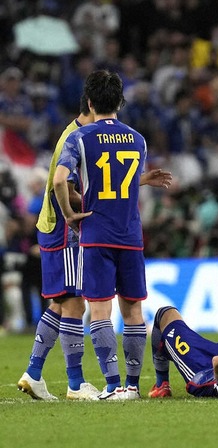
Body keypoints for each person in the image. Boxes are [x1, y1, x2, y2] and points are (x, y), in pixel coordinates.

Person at [17, 95, 171, 401]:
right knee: (73, 303)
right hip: (65, 228)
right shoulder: (81, 137)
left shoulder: (82, 136)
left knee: (64, 302)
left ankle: (35, 373)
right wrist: (77, 214)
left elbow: (104, 178)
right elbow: (66, 187)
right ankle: (75, 383)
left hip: (71, 228)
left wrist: (138, 181)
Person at [53, 70, 150, 400]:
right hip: (130, 235)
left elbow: (59, 180)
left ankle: (112, 385)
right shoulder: (138, 140)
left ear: (90, 102)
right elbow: (124, 181)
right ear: (120, 102)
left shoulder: (79, 138)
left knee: (99, 311)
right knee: (133, 312)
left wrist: (69, 215)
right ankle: (133, 386)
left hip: (96, 235)